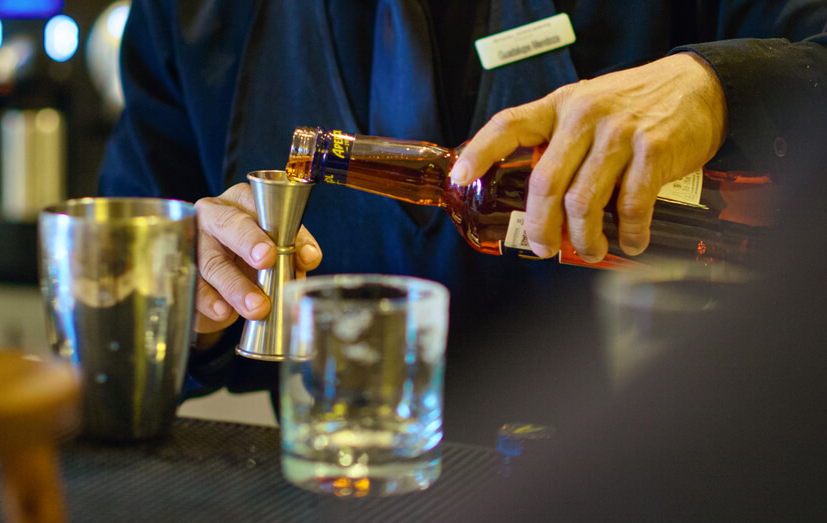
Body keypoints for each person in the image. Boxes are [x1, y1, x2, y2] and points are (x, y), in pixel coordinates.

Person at [99, 0, 827, 444]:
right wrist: (186, 300)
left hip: (645, 488)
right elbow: (112, 331)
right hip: (346, 493)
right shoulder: (185, 16)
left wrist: (713, 85)